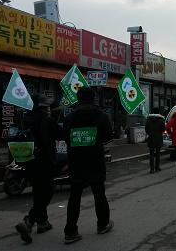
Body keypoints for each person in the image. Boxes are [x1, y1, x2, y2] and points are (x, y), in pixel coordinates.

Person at [63, 87, 113, 244]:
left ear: (78, 98)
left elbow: (65, 136)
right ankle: (103, 224)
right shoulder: (101, 116)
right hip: (95, 159)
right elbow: (107, 136)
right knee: (99, 193)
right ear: (93, 98)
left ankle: (70, 231)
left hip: (76, 160)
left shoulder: (70, 117)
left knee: (74, 196)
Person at [15, 95, 60, 244]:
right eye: (46, 106)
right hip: (45, 162)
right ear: (42, 108)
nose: (48, 109)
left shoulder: (25, 120)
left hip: (28, 162)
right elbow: (61, 134)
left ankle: (43, 223)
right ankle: (29, 220)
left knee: (38, 192)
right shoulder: (47, 120)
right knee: (47, 192)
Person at [145, 108, 165, 173]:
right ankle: (157, 167)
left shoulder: (148, 119)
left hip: (151, 138)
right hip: (158, 138)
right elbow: (163, 129)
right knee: (158, 153)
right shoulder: (161, 120)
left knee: (151, 154)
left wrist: (150, 133)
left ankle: (152, 169)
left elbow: (146, 129)